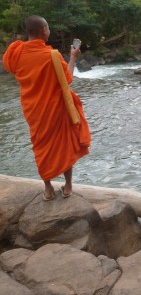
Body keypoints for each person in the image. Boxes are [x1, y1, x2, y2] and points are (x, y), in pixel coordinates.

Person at [2, 15, 91, 201]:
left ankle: (48, 189)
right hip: (55, 110)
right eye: (49, 28)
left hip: (33, 110)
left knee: (40, 146)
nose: (49, 31)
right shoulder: (52, 56)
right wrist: (73, 57)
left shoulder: (15, 52)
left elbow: (9, 66)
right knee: (64, 145)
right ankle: (67, 187)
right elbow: (67, 80)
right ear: (43, 31)